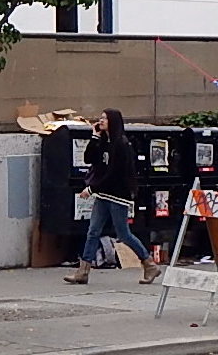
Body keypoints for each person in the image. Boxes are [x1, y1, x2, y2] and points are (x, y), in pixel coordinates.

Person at [64, 108, 163, 285]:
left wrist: (92, 189)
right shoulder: (104, 141)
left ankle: (149, 264)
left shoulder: (121, 145)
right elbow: (89, 159)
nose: (101, 121)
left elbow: (114, 173)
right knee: (93, 231)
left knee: (123, 234)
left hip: (117, 195)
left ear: (113, 122)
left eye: (105, 119)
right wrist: (94, 137)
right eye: (100, 118)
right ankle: (83, 271)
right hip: (103, 193)